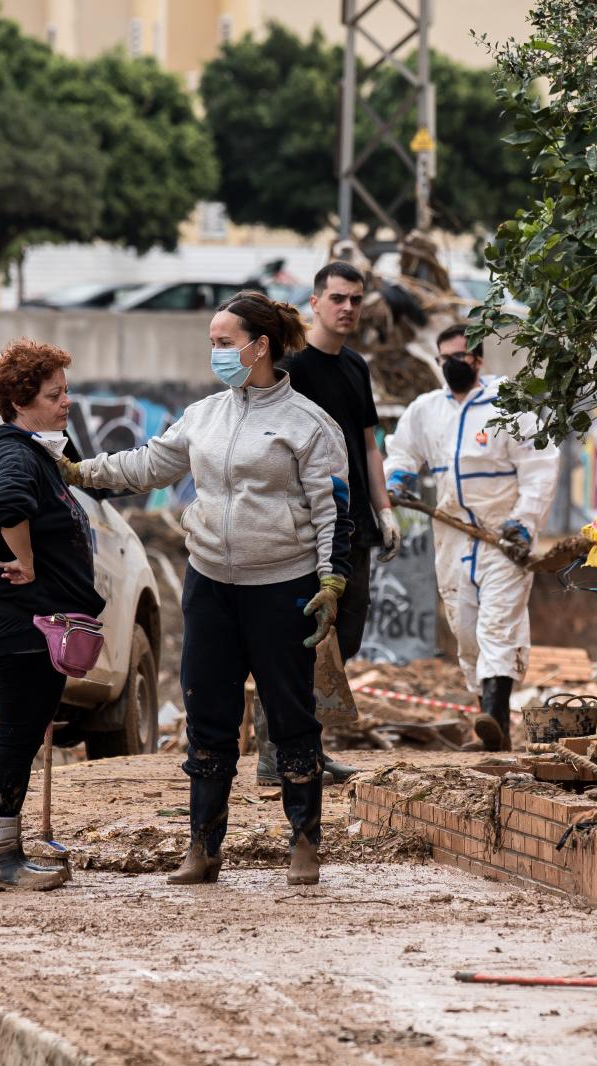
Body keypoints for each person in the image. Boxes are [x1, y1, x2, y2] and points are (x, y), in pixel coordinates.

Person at [62, 291, 354, 887]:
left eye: (223, 343)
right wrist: (79, 471)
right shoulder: (204, 415)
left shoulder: (310, 424)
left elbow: (334, 512)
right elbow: (148, 465)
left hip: (283, 586)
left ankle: (304, 842)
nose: (214, 353)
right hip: (210, 584)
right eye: (213, 343)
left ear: (259, 346)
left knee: (291, 714)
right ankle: (203, 847)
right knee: (207, 712)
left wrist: (331, 579)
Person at [249, 260, 400, 786]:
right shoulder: (292, 368)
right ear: (314, 302)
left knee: (342, 640)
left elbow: (368, 444)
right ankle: (276, 753)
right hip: (307, 528)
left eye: (356, 299)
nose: (348, 308)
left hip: (353, 527)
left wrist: (383, 509)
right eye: (337, 298)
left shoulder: (356, 367)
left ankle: (307, 746)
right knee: (298, 638)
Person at [0, 339, 105, 891]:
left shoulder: (21, 451)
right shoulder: (15, 455)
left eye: (65, 390)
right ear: (22, 402)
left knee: (20, 735)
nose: (67, 402)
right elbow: (6, 506)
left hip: (26, 623)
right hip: (21, 623)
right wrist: (23, 558)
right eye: (55, 394)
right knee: (17, 737)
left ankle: (4, 850)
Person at [383, 324, 559, 751]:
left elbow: (538, 469)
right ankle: (488, 718)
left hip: (503, 536)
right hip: (452, 535)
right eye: (443, 359)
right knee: (465, 628)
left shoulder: (509, 405)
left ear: (478, 360)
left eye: (459, 357)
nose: (450, 366)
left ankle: (496, 717)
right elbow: (403, 450)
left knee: (499, 623)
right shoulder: (427, 410)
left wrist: (523, 522)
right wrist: (400, 478)